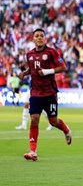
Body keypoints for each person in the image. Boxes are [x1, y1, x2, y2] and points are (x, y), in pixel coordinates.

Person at [19, 28, 72, 161]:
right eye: (37, 36)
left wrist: (48, 71)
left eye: (42, 36)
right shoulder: (29, 54)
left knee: (53, 121)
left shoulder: (51, 52)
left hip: (50, 93)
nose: (39, 38)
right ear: (33, 39)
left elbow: (63, 67)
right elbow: (33, 69)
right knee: (34, 119)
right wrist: (25, 73)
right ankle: (33, 151)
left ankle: (66, 130)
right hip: (36, 92)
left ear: (45, 38)